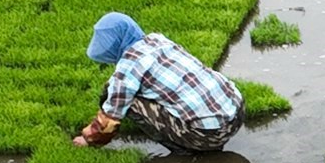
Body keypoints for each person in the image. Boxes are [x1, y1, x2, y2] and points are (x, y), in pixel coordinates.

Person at [73, 11, 243, 152]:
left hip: (209, 135)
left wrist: (88, 139)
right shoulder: (157, 40)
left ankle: (186, 150)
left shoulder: (128, 68)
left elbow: (111, 117)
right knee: (128, 91)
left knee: (127, 101)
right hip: (236, 111)